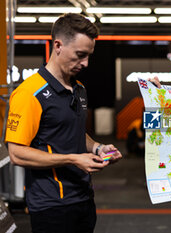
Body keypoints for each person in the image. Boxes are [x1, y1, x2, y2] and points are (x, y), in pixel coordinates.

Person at [5, 13, 123, 233]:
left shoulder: (79, 89)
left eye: (89, 56)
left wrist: (98, 147)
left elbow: (74, 132)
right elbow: (17, 153)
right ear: (57, 45)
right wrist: (72, 159)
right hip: (51, 206)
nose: (85, 63)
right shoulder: (30, 93)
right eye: (80, 55)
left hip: (83, 198)